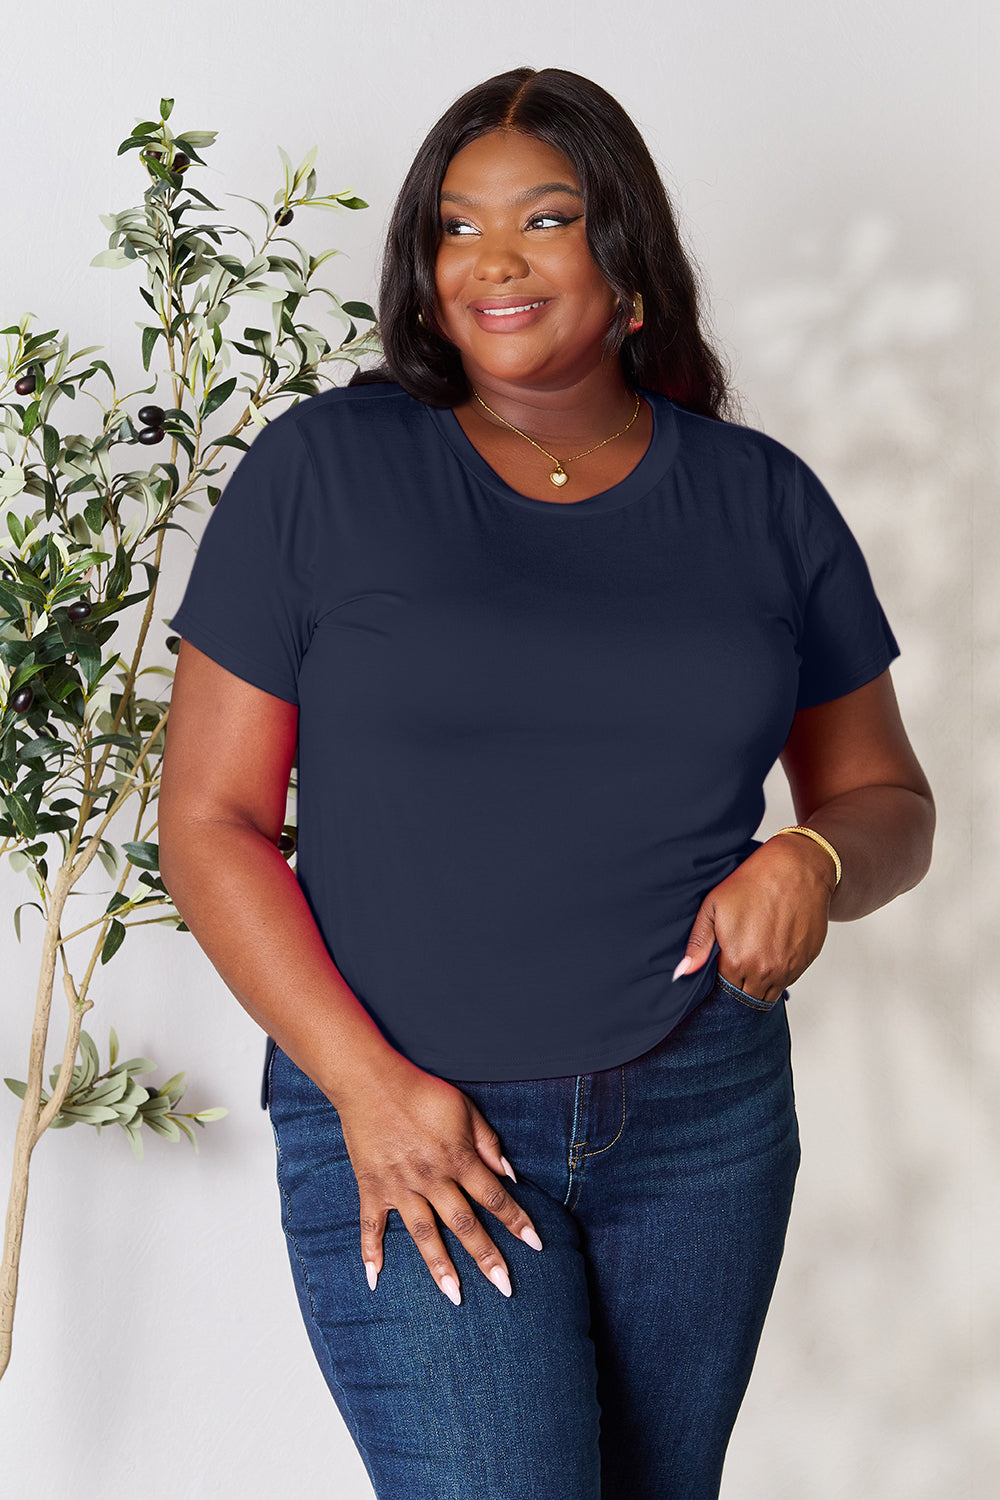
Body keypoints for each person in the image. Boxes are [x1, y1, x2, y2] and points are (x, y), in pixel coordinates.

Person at [159, 66, 935, 1500]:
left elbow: (888, 798)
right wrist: (368, 1090)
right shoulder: (325, 471)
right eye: (457, 228)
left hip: (699, 1117)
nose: (494, 260)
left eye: (547, 218)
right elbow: (207, 823)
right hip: (407, 1114)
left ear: (628, 260)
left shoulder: (762, 503)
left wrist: (810, 863)